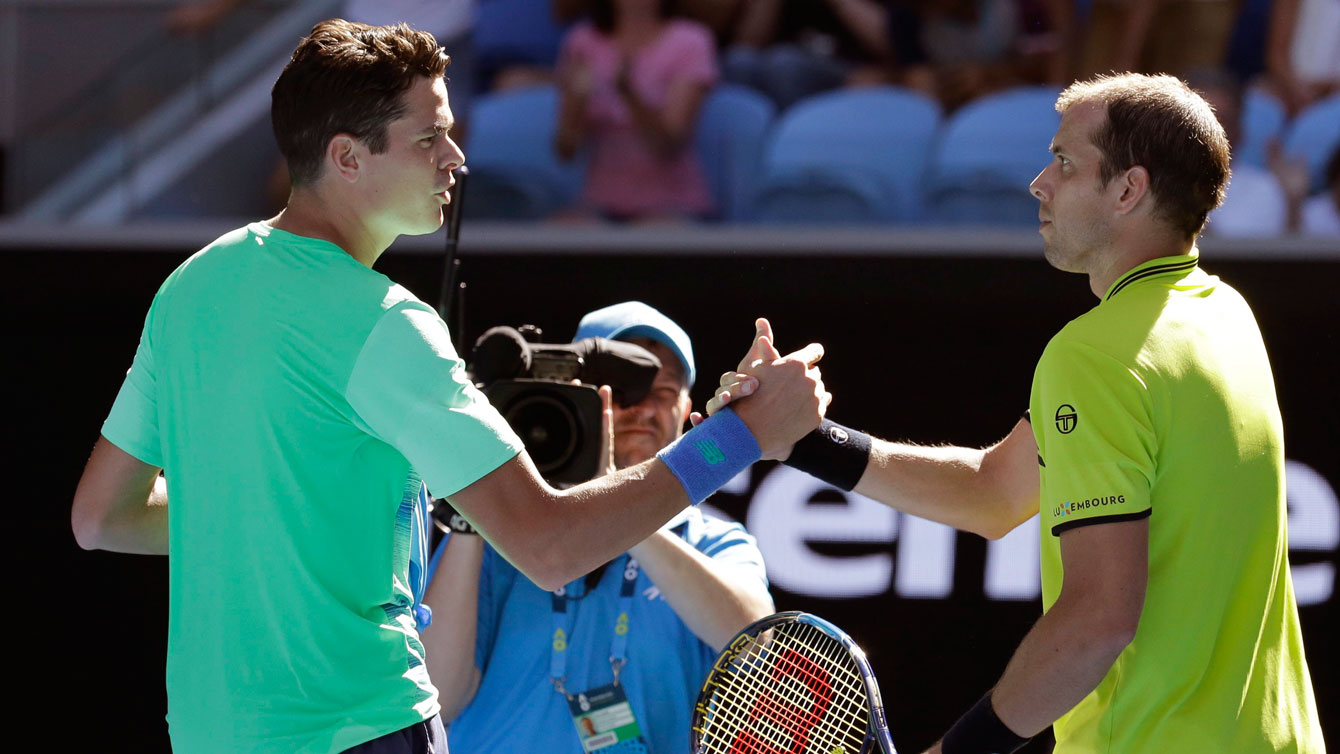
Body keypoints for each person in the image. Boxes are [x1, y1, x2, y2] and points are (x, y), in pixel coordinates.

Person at [69, 20, 827, 754]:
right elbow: (552, 546)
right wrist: (737, 438)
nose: (456, 157)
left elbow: (103, 516)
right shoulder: (387, 323)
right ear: (347, 157)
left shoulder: (191, 288)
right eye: (429, 137)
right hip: (364, 732)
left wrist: (273, 515)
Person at [708, 72, 1325, 753]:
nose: (1039, 182)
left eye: (1064, 162)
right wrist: (801, 440)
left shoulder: (1095, 357)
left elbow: (1099, 619)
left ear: (1128, 190)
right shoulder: (1225, 315)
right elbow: (994, 493)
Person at [425, 301, 774, 754]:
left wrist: (619, 500)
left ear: (687, 408)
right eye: (625, 391)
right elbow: (435, 695)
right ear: (577, 395)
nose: (643, 408)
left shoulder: (713, 540)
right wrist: (476, 496)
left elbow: (756, 644)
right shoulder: (500, 534)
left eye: (663, 391)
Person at [553, 0, 720, 221]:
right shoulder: (582, 41)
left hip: (674, 205)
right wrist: (575, 103)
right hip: (600, 205)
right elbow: (566, 151)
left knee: (653, 239)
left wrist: (629, 94)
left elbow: (669, 144)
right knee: (561, 231)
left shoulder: (691, 41)